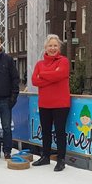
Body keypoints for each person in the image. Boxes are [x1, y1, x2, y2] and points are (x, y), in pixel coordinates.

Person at [31, 34, 71, 172]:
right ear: (45, 48)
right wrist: (52, 75)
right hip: (44, 103)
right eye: (50, 46)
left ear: (59, 47)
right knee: (46, 132)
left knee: (60, 132)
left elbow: (61, 74)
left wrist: (43, 74)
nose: (52, 48)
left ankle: (61, 160)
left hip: (61, 104)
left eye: (55, 45)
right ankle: (45, 156)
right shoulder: (39, 64)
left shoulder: (64, 61)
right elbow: (34, 81)